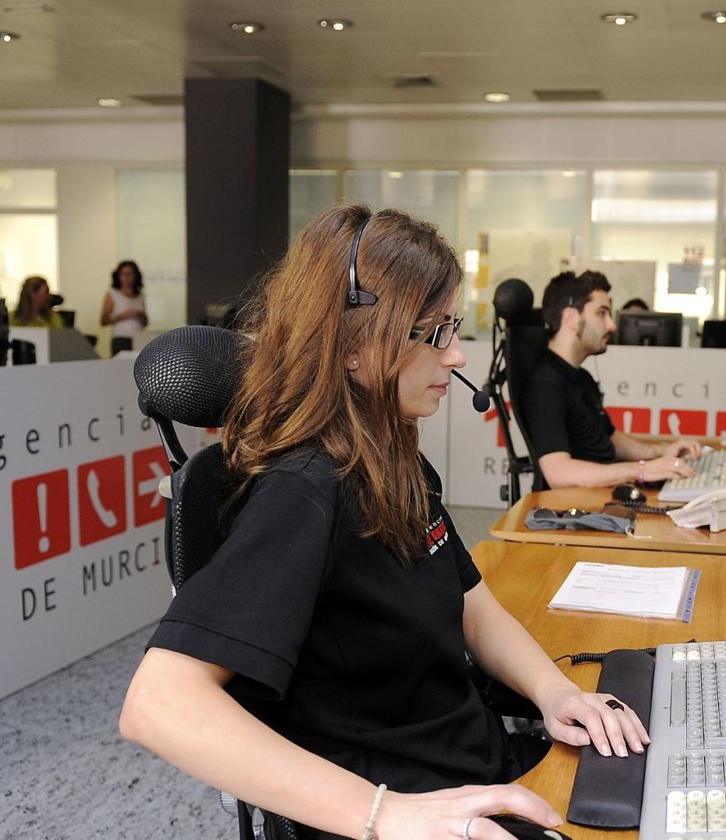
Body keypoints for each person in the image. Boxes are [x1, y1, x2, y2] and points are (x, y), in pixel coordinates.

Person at [119, 205, 649, 840]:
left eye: (452, 327)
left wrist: (554, 692)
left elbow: (470, 602)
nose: (455, 355)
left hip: (476, 768)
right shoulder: (304, 489)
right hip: (414, 806)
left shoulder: (391, 456)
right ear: (351, 346)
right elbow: (158, 703)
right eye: (432, 333)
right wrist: (388, 815)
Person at [524, 271, 700, 488]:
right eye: (602, 313)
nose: (612, 325)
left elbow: (612, 439)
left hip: (604, 494)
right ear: (571, 318)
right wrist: (642, 470)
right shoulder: (546, 385)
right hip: (578, 508)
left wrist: (661, 451)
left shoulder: (581, 378)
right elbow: (558, 473)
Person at [101, 259, 147, 355]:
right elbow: (103, 321)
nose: (126, 277)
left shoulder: (140, 296)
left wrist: (140, 315)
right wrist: (124, 315)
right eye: (123, 274)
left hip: (138, 338)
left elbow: (145, 323)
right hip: (121, 338)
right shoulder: (112, 294)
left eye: (129, 274)